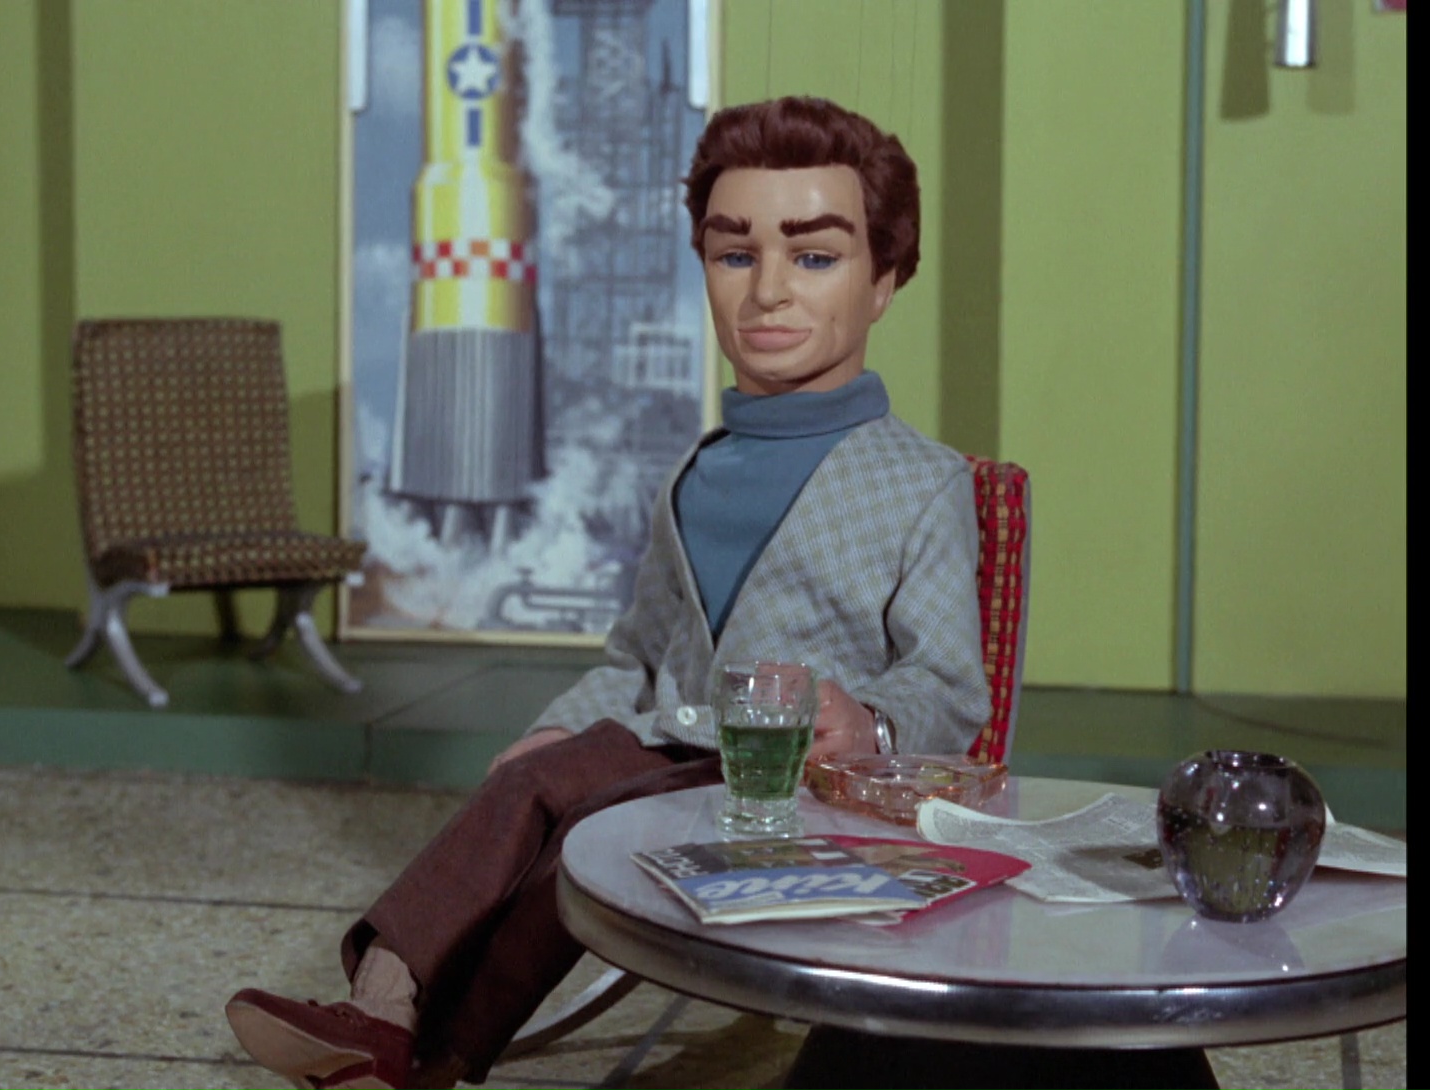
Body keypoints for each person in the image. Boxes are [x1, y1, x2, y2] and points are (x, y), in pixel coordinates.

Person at [224, 94, 991, 1090]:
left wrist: (871, 723)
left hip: (794, 787)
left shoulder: (921, 482)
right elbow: (637, 654)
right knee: (530, 783)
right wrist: (555, 729)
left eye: (813, 256)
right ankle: (379, 1010)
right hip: (672, 744)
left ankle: (425, 1053)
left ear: (883, 279)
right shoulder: (693, 474)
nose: (768, 292)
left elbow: (951, 685)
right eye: (734, 254)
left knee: (588, 830)